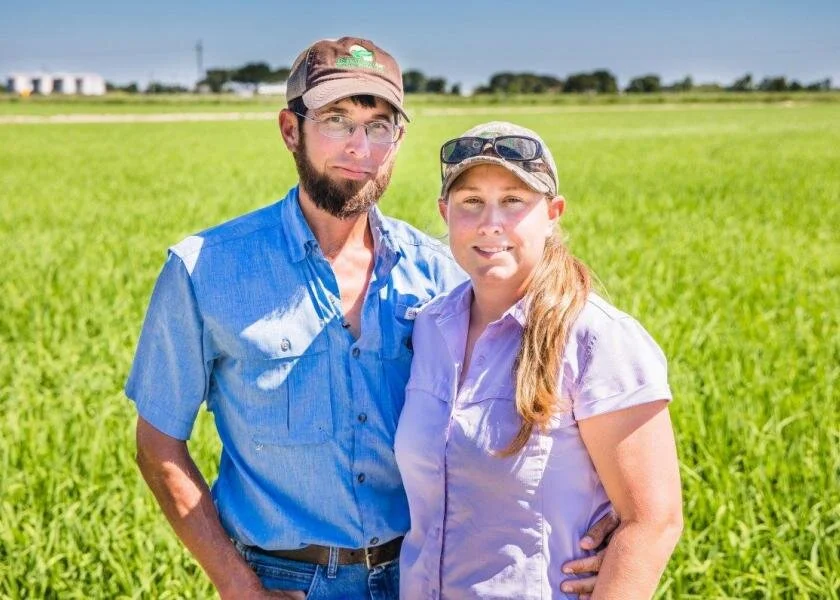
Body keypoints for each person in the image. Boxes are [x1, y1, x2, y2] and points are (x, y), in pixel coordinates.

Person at [126, 37, 615, 600]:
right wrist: (240, 588)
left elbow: (537, 403)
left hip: (426, 572)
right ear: (290, 129)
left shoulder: (443, 274)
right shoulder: (205, 270)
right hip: (285, 581)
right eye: (336, 120)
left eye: (379, 126)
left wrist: (605, 520)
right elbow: (158, 445)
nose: (360, 146)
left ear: (397, 139)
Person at [395, 122, 684, 599]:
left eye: (513, 200)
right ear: (445, 212)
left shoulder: (595, 340)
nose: (490, 223)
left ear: (552, 213)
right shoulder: (428, 328)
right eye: (471, 201)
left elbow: (652, 521)